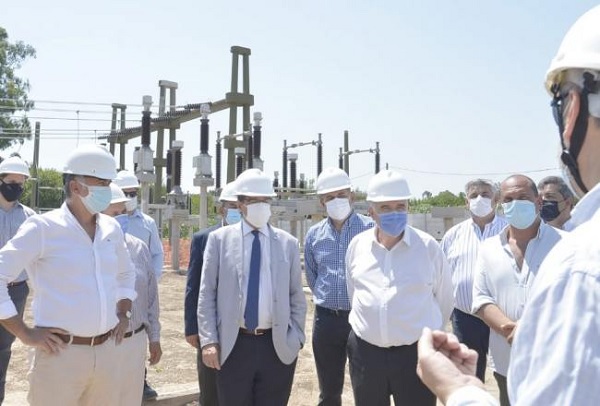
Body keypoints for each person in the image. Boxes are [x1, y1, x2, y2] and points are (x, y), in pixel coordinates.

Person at [416, 6, 600, 405]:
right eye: (508, 199)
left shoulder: (580, 263)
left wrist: (459, 391)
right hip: (499, 353)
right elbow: (474, 295)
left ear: (572, 110)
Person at [0, 144, 136, 406]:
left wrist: (124, 313)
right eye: (102, 183)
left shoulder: (111, 228)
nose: (108, 190)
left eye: (109, 183)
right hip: (59, 356)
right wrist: (25, 333)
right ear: (75, 186)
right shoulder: (43, 228)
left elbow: (126, 272)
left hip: (107, 353)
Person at [198, 168, 307, 406]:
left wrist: (296, 338)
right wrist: (209, 341)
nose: (260, 206)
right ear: (240, 204)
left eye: (265, 200)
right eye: (253, 200)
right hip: (233, 345)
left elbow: (297, 296)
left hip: (276, 346)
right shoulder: (219, 241)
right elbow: (207, 294)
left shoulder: (287, 244)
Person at [345, 169, 453, 406]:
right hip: (366, 354)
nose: (394, 213)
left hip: (415, 355)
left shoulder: (428, 248)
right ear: (371, 211)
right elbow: (354, 293)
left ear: (408, 207)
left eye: (400, 206)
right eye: (385, 208)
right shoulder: (357, 246)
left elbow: (444, 301)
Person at [472, 174, 565, 406]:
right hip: (507, 363)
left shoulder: (566, 245)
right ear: (501, 205)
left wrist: (531, 330)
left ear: (538, 202)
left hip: (555, 362)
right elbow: (482, 299)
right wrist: (512, 331)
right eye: (509, 199)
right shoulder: (488, 249)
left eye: (523, 197)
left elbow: (575, 297)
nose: (515, 203)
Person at [304, 167, 374, 406]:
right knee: (329, 390)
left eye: (341, 195)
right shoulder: (314, 235)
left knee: (367, 386)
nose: (337, 201)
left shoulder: (370, 229)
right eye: (330, 197)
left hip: (361, 318)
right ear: (322, 202)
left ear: (352, 196)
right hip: (326, 320)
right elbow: (313, 276)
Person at [440, 179, 507, 382]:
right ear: (466, 202)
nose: (480, 199)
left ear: (496, 199)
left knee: (506, 374)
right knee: (468, 376)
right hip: (465, 317)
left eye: (485, 194)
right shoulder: (453, 235)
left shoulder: (509, 230)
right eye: (474, 195)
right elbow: (442, 275)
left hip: (503, 316)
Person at [103, 183, 162, 406]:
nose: (121, 218)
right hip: (103, 343)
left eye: (123, 212)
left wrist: (154, 338)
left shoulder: (139, 248)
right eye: (114, 213)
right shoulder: (89, 250)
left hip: (135, 342)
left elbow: (151, 299)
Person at [185, 181, 240, 406]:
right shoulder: (204, 238)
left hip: (241, 328)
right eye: (232, 206)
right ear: (221, 209)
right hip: (210, 326)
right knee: (211, 388)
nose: (237, 210)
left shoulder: (254, 239)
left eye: (240, 205)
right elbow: (193, 285)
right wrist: (192, 327)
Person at [0, 155, 36, 404]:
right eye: (12, 183)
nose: (17, 188)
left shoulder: (29, 218)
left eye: (21, 184)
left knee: (3, 348)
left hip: (16, 291)